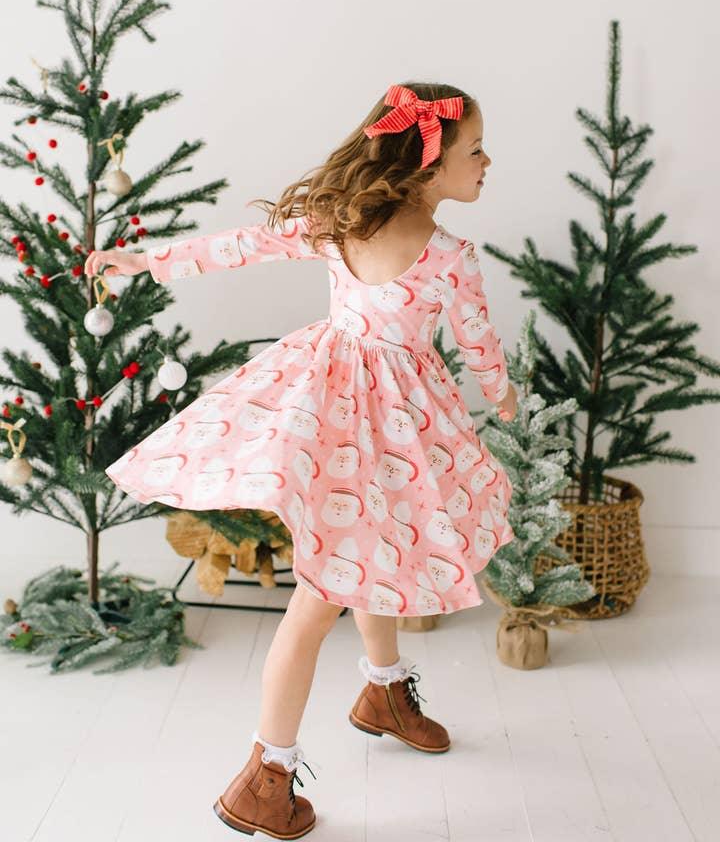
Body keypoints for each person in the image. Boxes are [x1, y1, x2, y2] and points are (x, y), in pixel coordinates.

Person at [84, 81, 518, 839]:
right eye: (474, 149)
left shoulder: (351, 225)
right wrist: (504, 399)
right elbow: (480, 347)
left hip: (382, 427)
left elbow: (239, 247)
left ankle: (382, 691)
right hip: (344, 427)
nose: (488, 161)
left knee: (381, 545)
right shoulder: (442, 256)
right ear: (429, 165)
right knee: (321, 595)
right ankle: (266, 775)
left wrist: (148, 263)